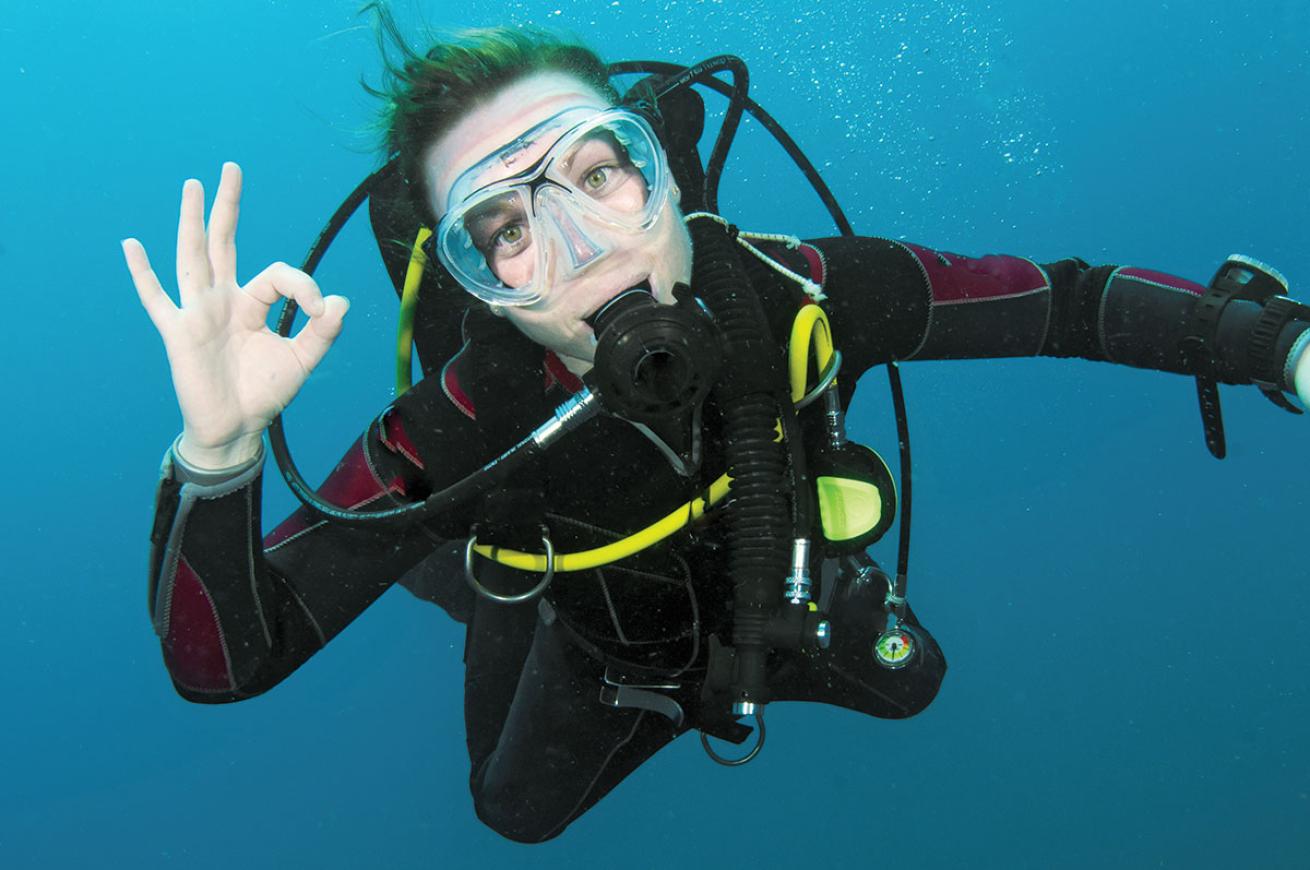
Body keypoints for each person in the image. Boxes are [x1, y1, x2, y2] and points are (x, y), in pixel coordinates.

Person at [122, 24, 1310, 843]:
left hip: (779, 588)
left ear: (666, 174)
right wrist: (217, 455)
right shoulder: (464, 421)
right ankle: (476, 579)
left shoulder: (794, 291)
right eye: (509, 226)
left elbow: (1063, 300)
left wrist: (1276, 346)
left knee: (916, 690)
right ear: (481, 285)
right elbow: (225, 665)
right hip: (602, 655)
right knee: (512, 814)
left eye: (603, 172)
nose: (589, 245)